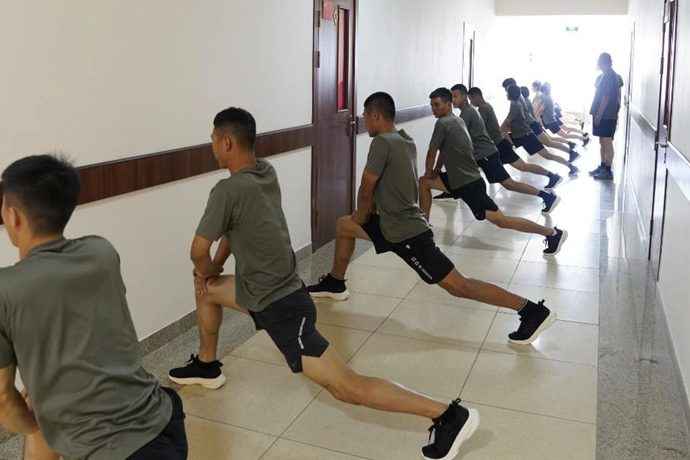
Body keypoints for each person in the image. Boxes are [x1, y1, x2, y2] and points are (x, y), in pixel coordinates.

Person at [168, 107, 479, 460]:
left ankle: (448, 415)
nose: (211, 146)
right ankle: (207, 365)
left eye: (212, 140)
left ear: (226, 143)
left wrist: (206, 267)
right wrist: (215, 271)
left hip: (281, 305)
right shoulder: (264, 171)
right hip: (261, 291)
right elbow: (232, 227)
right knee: (207, 292)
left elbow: (197, 251)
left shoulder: (226, 190)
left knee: (346, 387)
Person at [0, 155, 187, 460]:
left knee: (39, 429)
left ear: (14, 215)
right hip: (164, 422)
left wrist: (37, 425)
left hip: (112, 453)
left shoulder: (0, 287)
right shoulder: (101, 252)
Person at [308, 92, 558, 346]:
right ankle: (335, 283)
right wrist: (370, 211)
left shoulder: (382, 143)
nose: (364, 121)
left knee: (458, 286)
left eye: (365, 116)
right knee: (344, 225)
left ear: (375, 115)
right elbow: (392, 183)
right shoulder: (404, 139)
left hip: (406, 233)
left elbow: (366, 188)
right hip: (390, 222)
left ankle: (531, 311)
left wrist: (362, 214)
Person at [418, 89, 570, 260]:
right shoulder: (457, 120)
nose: (434, 109)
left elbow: (432, 152)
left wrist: (429, 171)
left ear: (448, 105)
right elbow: (443, 149)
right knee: (424, 182)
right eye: (432, 106)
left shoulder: (444, 123)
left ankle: (552, 233)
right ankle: (424, 229)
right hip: (459, 180)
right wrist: (436, 169)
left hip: (468, 185)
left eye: (437, 105)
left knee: (502, 220)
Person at [449, 84, 559, 213]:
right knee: (516, 175)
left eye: (455, 96)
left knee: (514, 177)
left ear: (471, 96)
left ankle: (548, 193)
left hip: (496, 147)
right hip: (494, 147)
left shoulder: (479, 110)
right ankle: (549, 184)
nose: (453, 100)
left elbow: (503, 123)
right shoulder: (483, 107)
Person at [467, 87, 563, 189]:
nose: (471, 102)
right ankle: (551, 177)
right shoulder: (487, 106)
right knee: (520, 167)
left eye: (471, 99)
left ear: (476, 96)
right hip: (499, 144)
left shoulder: (483, 109)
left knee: (523, 167)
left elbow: (481, 129)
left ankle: (552, 177)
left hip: (500, 145)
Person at [501, 83, 580, 177]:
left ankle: (570, 160)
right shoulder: (517, 101)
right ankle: (570, 158)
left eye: (506, 89)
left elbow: (509, 121)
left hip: (529, 127)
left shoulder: (516, 103)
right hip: (524, 130)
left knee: (549, 147)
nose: (505, 92)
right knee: (549, 144)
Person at [517, 83, 579, 159]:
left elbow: (538, 109)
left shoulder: (536, 99)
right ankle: (571, 147)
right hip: (539, 122)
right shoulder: (529, 100)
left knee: (552, 141)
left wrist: (537, 118)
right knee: (551, 140)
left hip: (540, 122)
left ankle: (572, 148)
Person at [589, 52, 625, 180]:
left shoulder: (610, 76)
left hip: (606, 115)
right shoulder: (605, 76)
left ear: (602, 62)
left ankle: (608, 169)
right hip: (605, 114)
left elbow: (605, 97)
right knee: (602, 141)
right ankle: (603, 166)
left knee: (607, 141)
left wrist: (599, 114)